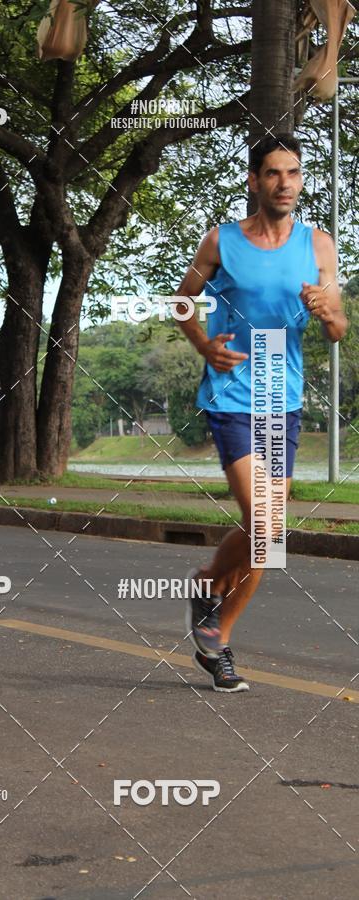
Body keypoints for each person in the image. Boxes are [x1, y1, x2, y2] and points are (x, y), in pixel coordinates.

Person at [176, 134, 347, 693]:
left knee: (265, 533)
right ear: (254, 181)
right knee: (267, 527)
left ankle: (212, 609)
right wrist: (204, 345)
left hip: (283, 394)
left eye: (294, 173)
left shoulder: (319, 246)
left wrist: (327, 314)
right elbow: (181, 302)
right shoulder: (221, 241)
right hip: (231, 393)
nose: (285, 184)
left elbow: (338, 328)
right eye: (274, 173)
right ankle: (216, 634)